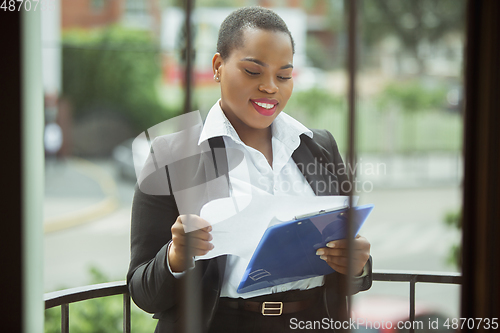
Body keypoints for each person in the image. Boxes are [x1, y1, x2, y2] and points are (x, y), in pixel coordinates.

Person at [127, 6, 372, 332]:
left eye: (284, 76)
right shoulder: (171, 156)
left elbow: (349, 270)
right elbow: (142, 292)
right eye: (254, 72)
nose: (271, 87)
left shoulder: (319, 147)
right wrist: (174, 257)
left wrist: (357, 266)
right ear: (218, 66)